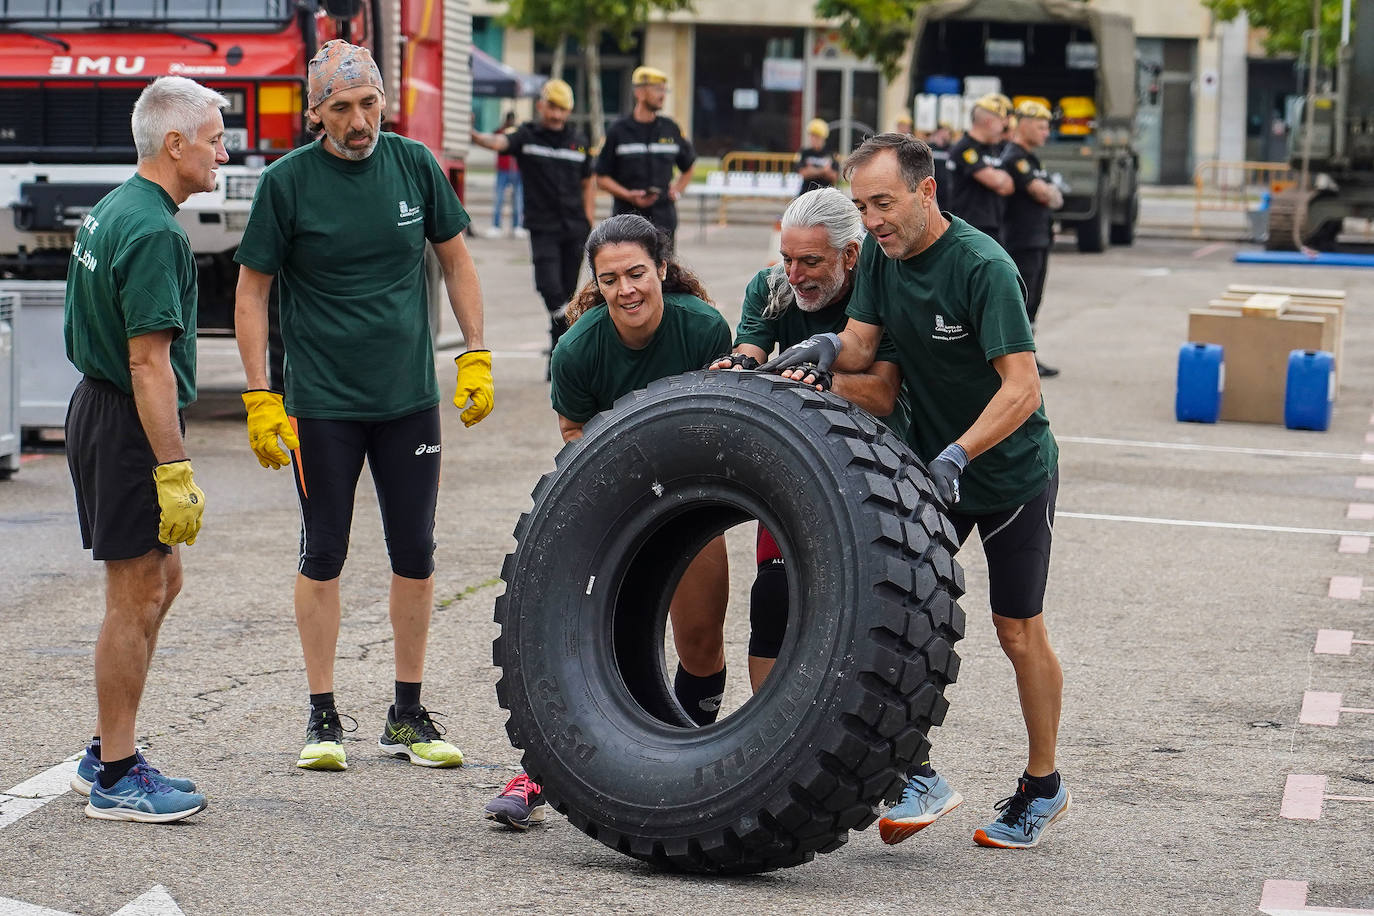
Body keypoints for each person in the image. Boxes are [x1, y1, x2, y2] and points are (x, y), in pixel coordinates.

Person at [760, 133, 1067, 850]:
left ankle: (1042, 784)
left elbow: (1022, 388)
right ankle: (916, 771)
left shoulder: (982, 266)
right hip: (933, 469)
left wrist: (959, 453)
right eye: (863, 205)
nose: (872, 220)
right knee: (892, 617)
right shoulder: (882, 258)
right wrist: (824, 350)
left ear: (927, 193)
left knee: (1016, 629)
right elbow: (864, 344)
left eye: (884, 203)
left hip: (1007, 469)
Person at [233, 39, 492, 774]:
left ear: (385, 100)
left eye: (369, 103)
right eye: (341, 108)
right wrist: (260, 395)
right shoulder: (287, 183)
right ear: (315, 113)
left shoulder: (414, 165)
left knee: (416, 552)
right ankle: (322, 716)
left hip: (408, 400)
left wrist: (476, 352)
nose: (358, 120)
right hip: (322, 406)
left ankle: (406, 713)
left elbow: (457, 258)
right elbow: (251, 292)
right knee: (325, 552)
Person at [484, 214, 730, 829]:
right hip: (613, 505)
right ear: (597, 283)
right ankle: (543, 773)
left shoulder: (703, 328)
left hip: (694, 500)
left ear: (662, 272)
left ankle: (689, 755)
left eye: (638, 274)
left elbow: (729, 420)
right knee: (591, 649)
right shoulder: (578, 346)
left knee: (700, 641)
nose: (627, 290)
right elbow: (573, 438)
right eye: (611, 278)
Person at [63, 75, 226, 822]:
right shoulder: (156, 230)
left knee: (165, 582)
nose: (222, 153)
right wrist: (174, 468)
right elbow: (147, 362)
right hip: (126, 420)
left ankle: (109, 745)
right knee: (134, 599)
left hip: (100, 409)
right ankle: (117, 776)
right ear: (174, 143)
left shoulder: (114, 206)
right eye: (215, 139)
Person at [708, 188, 908, 692]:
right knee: (774, 596)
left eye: (810, 261)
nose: (795, 275)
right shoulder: (773, 286)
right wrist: (740, 367)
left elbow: (882, 394)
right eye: (787, 258)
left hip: (877, 471)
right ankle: (770, 742)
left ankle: (902, 761)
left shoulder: (884, 289)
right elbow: (752, 352)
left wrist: (820, 383)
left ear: (851, 254)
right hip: (802, 463)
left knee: (875, 620)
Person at [471, 79, 594, 368]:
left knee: (566, 292)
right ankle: (567, 336)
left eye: (563, 109)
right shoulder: (527, 135)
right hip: (543, 227)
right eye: (552, 107)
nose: (556, 115)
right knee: (549, 288)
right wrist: (473, 134)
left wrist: (588, 216)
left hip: (574, 227)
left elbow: (589, 180)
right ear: (540, 105)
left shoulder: (578, 141)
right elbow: (499, 143)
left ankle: (558, 358)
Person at [595, 66, 696, 250]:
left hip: (663, 219)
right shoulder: (619, 130)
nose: (662, 95)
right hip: (626, 222)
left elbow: (688, 164)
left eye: (664, 90)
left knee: (664, 274)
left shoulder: (670, 129)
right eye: (657, 89)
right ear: (640, 92)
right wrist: (628, 195)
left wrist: (678, 189)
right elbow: (601, 177)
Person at [999, 100, 1064, 379]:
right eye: (1041, 126)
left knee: (1034, 301)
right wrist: (1049, 192)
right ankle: (1018, 362)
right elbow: (1043, 193)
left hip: (1037, 239)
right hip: (1021, 240)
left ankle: (1029, 357)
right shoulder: (1015, 157)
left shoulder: (1032, 158)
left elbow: (1055, 197)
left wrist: (1050, 193)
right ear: (1023, 125)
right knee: (1022, 302)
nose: (1046, 133)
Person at [947, 94, 1013, 242]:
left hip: (994, 226)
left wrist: (998, 178)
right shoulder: (965, 148)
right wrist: (998, 178)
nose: (1003, 128)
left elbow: (1008, 186)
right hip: (969, 228)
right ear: (989, 122)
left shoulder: (993, 148)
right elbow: (996, 182)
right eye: (1001, 123)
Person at [491, 111, 525, 238]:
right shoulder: (501, 132)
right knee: (499, 198)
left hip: (516, 170)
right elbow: (494, 138)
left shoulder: (518, 133)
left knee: (518, 200)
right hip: (503, 169)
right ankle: (496, 226)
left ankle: (517, 226)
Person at [796, 118, 839, 194]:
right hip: (807, 193)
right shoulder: (804, 152)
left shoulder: (830, 153)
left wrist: (812, 171)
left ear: (823, 138)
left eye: (817, 136)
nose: (814, 139)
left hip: (825, 194)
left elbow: (834, 176)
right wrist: (823, 171)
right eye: (812, 136)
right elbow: (803, 173)